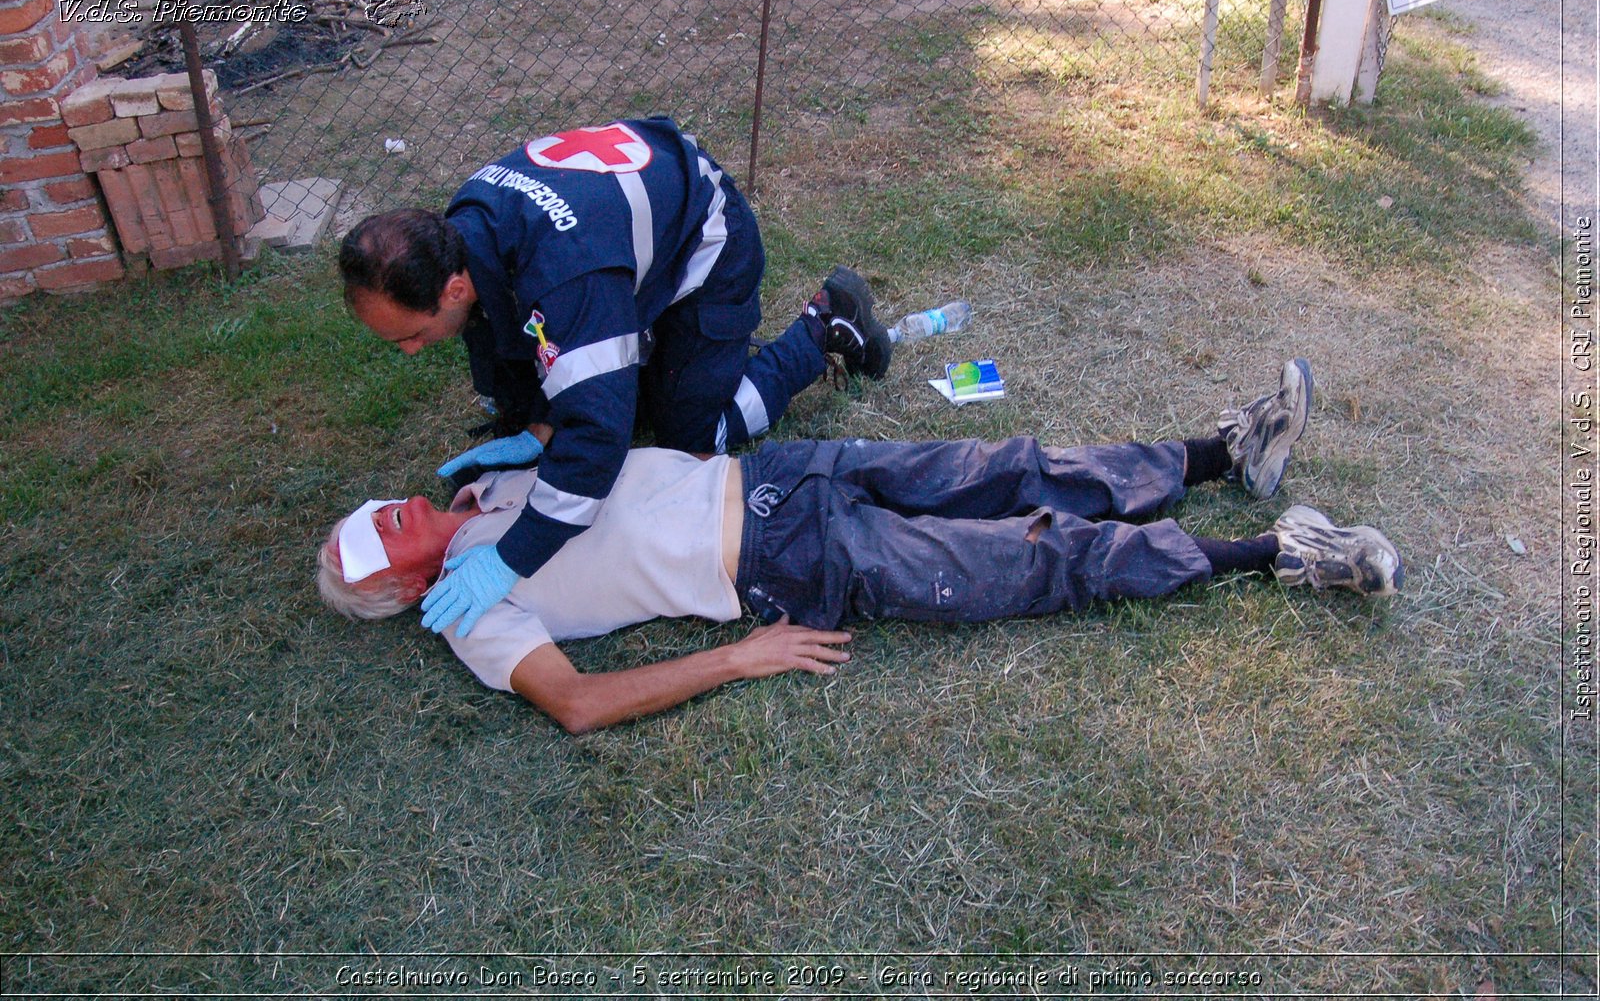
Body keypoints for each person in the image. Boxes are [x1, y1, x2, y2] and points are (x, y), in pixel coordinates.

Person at [317, 360, 1403, 734]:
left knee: (1002, 464)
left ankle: (1223, 451)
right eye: (386, 536)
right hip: (779, 564)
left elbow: (585, 436)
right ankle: (1279, 552)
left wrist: (536, 439)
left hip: (779, 473)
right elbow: (579, 703)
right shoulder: (472, 617)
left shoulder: (484, 478)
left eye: (383, 506)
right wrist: (737, 656)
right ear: (400, 584)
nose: (396, 509)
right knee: (1024, 557)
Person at [338, 115, 893, 640]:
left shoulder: (563, 279)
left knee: (693, 440)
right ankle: (653, 355)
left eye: (409, 334)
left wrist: (510, 559)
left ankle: (824, 327)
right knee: (607, 387)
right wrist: (535, 427)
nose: (411, 351)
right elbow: (500, 327)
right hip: (629, 230)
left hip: (707, 244)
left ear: (453, 290)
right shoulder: (460, 231)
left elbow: (597, 444)